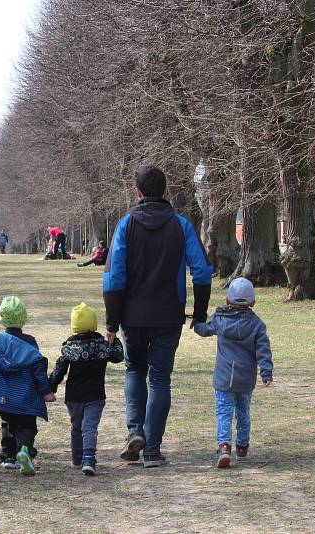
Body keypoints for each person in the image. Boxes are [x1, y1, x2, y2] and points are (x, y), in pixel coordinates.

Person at [103, 165, 213, 468]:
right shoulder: (182, 225)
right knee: (160, 379)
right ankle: (152, 450)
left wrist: (112, 321)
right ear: (167, 191)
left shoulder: (126, 225)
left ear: (137, 193)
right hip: (168, 316)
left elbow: (113, 277)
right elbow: (202, 271)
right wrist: (200, 312)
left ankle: (135, 431)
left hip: (133, 317)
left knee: (134, 371)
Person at [193, 277, 273, 468]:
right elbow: (263, 350)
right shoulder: (257, 325)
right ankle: (243, 445)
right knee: (243, 411)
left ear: (228, 300)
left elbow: (206, 330)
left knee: (223, 412)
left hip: (223, 377)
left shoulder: (221, 319)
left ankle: (224, 447)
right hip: (245, 379)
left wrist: (196, 324)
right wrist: (266, 372)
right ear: (253, 302)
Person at [0, 296, 56, 476]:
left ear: (2, 317)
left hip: (3, 395)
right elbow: (38, 370)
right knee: (28, 426)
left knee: (7, 423)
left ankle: (8, 457)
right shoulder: (30, 342)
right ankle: (25, 450)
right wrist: (46, 392)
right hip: (26, 396)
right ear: (23, 318)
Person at [49, 303, 124, 475]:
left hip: (73, 396)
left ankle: (77, 458)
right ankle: (88, 458)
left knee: (76, 426)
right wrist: (115, 339)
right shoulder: (103, 346)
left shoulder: (69, 348)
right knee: (89, 427)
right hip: (96, 395)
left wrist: (50, 387)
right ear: (93, 324)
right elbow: (119, 356)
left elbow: (59, 370)